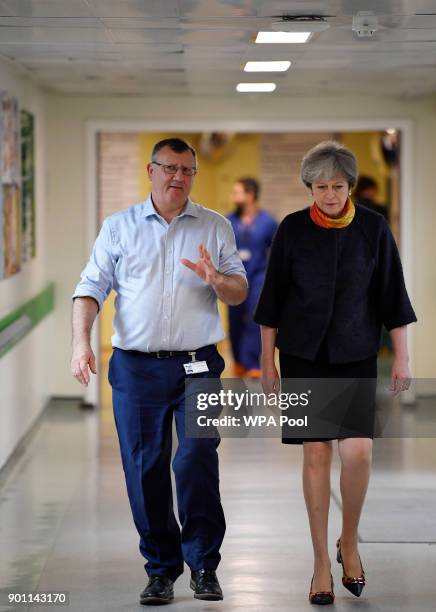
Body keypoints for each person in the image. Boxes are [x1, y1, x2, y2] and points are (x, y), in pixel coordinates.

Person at [71, 138, 247, 606]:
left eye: (187, 170)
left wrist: (218, 280)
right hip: (136, 368)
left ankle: (204, 565)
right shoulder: (119, 227)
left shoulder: (215, 226)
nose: (178, 177)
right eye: (169, 168)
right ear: (150, 171)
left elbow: (238, 292)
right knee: (144, 468)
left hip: (199, 366)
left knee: (195, 459)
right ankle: (161, 570)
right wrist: (79, 343)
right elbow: (90, 288)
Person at [254, 141, 416, 605]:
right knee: (317, 455)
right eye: (321, 187)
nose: (329, 195)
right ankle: (321, 562)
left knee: (360, 453)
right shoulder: (292, 229)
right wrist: (267, 363)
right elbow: (273, 301)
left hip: (356, 353)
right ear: (310, 187)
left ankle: (350, 540)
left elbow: (393, 296)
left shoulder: (373, 228)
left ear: (350, 186)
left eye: (338, 186)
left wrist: (402, 357)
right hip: (304, 356)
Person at [227, 178, 278, 378]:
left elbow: (277, 250)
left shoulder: (268, 222)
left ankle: (251, 363)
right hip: (234, 278)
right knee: (235, 320)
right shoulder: (227, 221)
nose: (233, 197)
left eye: (237, 192)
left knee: (254, 318)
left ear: (250, 195)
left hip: (258, 277)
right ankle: (238, 360)